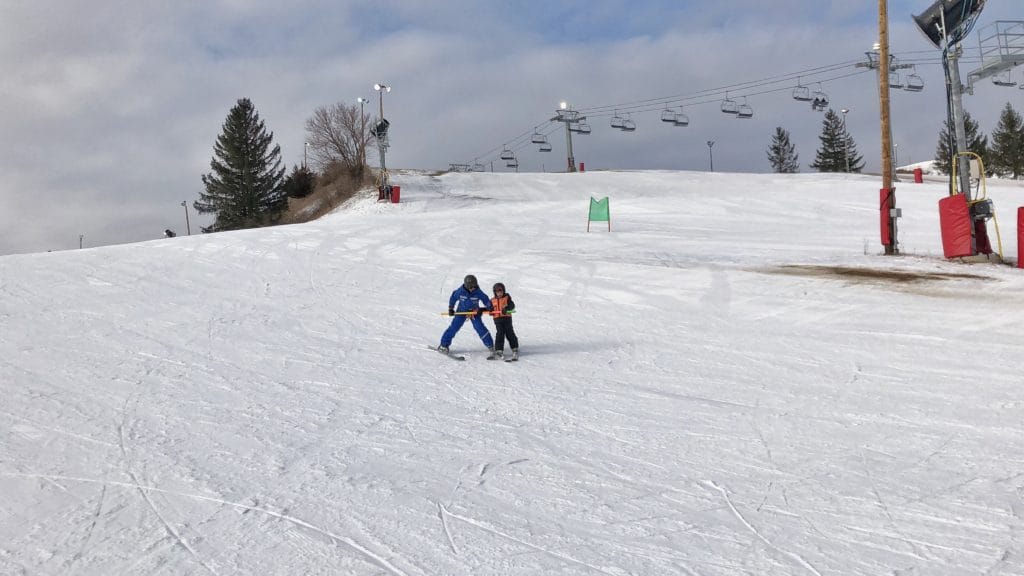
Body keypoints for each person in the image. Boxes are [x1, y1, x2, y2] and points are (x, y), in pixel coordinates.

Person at [438, 274, 495, 358]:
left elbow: (485, 299)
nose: (473, 289)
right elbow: (453, 297)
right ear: (466, 286)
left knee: (480, 327)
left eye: (474, 286)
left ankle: (491, 346)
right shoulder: (460, 291)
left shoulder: (478, 292)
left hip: (474, 312)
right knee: (454, 327)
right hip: (461, 311)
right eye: (471, 287)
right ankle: (443, 345)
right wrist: (451, 308)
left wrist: (489, 307)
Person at [489, 282, 518, 360]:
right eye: (497, 292)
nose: (499, 293)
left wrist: (506, 309)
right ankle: (499, 349)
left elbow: (512, 305)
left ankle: (514, 347)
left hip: (507, 318)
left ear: (503, 291)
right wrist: (490, 310)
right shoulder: (492, 300)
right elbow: (488, 308)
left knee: (509, 332)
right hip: (497, 319)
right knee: (500, 333)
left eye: (501, 291)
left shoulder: (507, 298)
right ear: (495, 292)